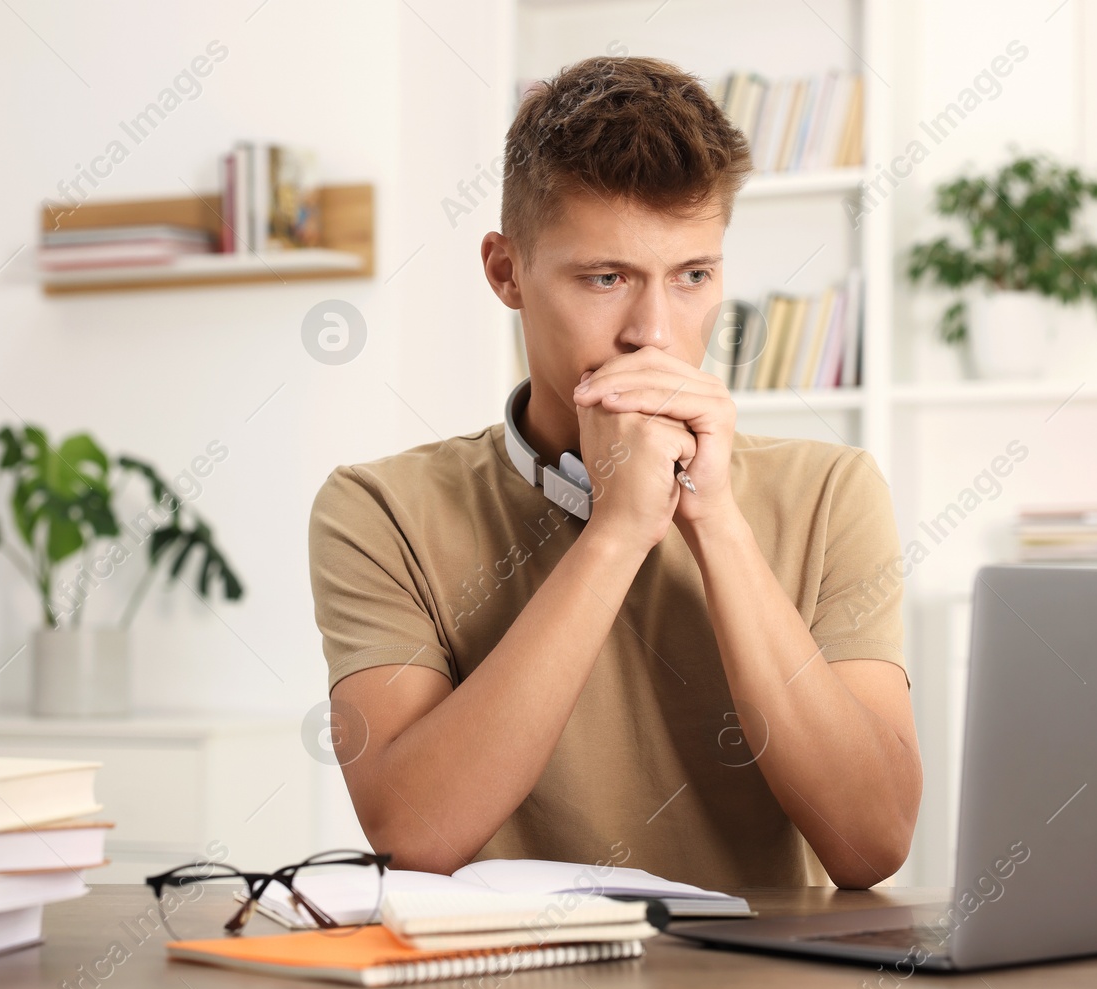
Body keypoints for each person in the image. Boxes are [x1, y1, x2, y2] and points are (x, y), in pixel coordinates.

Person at [309, 55, 919, 891]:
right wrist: (620, 529)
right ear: (506, 272)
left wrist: (715, 520)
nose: (654, 334)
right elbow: (415, 833)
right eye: (606, 278)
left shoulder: (832, 491)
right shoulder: (379, 508)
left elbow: (872, 841)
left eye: (693, 276)